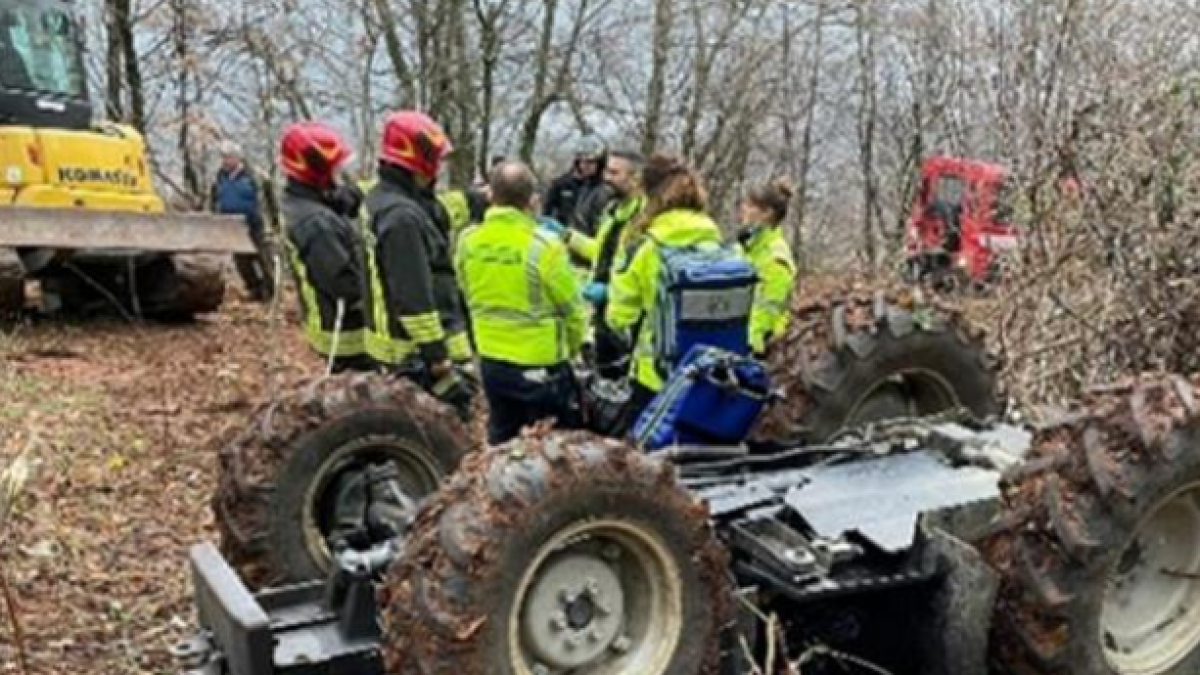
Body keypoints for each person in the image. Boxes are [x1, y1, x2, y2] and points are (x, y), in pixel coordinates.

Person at [456, 161, 585, 444]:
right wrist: (572, 350)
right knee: (552, 448)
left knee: (502, 439)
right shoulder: (545, 246)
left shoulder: (468, 240)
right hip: (541, 366)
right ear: (533, 200)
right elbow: (573, 312)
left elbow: (465, 289)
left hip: (491, 360)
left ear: (490, 195)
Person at [361, 111, 473, 410]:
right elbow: (414, 298)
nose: (438, 169)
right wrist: (437, 356)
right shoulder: (402, 219)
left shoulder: (381, 198)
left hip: (394, 347)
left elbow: (436, 210)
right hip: (414, 356)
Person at [605, 154, 727, 422]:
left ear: (647, 192)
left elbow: (619, 318)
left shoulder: (645, 245)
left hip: (656, 377)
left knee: (647, 457)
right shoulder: (714, 238)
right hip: (713, 374)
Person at [277, 122, 371, 372]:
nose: (338, 174)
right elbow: (346, 286)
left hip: (332, 326)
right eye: (333, 169)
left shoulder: (302, 201)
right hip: (348, 334)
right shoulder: (316, 224)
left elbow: (342, 200)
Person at [544, 150, 646, 378]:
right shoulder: (613, 213)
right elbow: (599, 253)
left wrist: (610, 292)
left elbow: (644, 272)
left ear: (635, 178)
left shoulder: (644, 219)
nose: (606, 177)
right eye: (607, 170)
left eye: (614, 172)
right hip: (604, 318)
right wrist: (566, 235)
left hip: (628, 322)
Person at [738, 178, 798, 357]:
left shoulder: (775, 257)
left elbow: (766, 311)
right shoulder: (749, 248)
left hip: (763, 350)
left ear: (767, 214)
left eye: (750, 206)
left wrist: (748, 347)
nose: (743, 210)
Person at [211, 141, 275, 302]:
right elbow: (214, 199)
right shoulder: (219, 177)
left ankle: (271, 290)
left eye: (228, 157)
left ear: (237, 158)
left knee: (263, 258)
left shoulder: (253, 176)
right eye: (223, 157)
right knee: (242, 262)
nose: (225, 161)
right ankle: (254, 289)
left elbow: (268, 200)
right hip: (232, 227)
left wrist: (272, 222)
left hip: (254, 225)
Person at [542, 134, 611, 237]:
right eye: (581, 161)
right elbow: (547, 212)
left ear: (600, 163)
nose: (584, 166)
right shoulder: (563, 184)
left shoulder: (605, 190)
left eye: (590, 162)